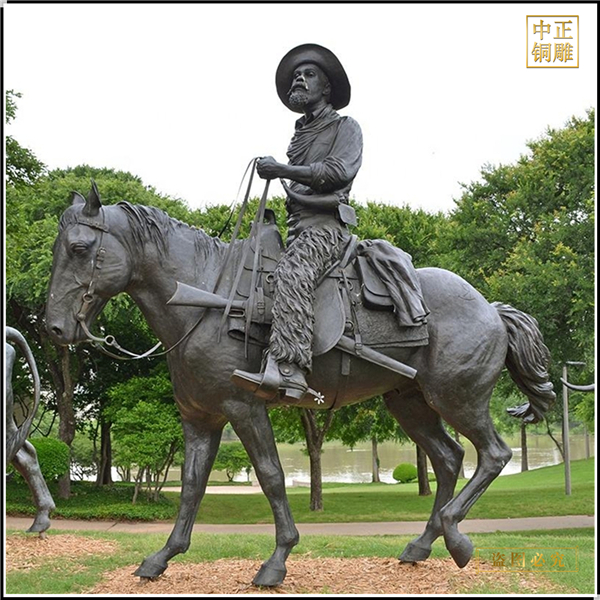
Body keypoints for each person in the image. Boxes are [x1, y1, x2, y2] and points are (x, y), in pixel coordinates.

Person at [231, 43, 363, 402]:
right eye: (296, 76)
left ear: (326, 88)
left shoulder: (346, 127)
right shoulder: (300, 134)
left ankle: (290, 369)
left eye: (308, 74)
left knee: (293, 271)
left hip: (326, 229)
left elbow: (336, 172)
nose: (299, 80)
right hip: (296, 229)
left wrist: (282, 170)